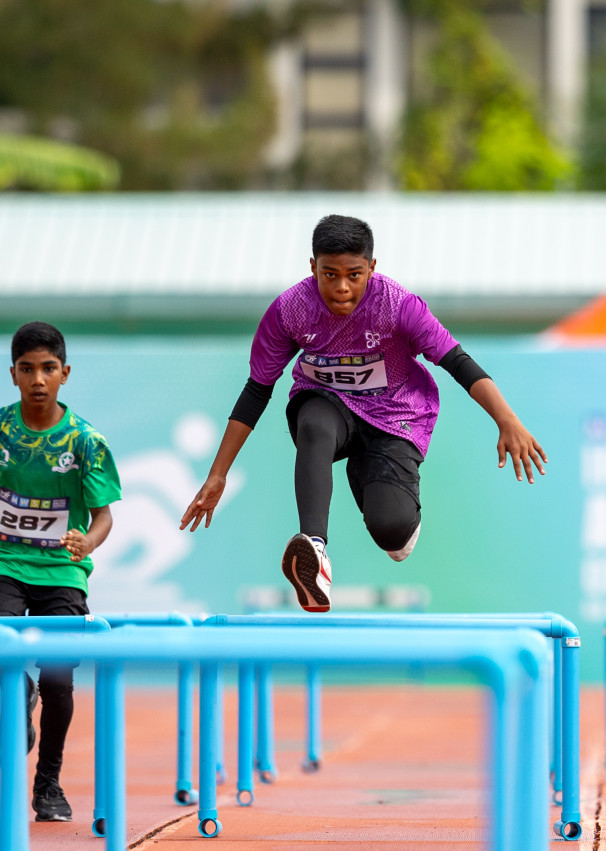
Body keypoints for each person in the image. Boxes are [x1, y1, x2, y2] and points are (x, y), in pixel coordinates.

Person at [179, 215, 547, 611]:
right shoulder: (290, 311)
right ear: (312, 267)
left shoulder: (398, 306)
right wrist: (218, 474)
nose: (341, 288)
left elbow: (457, 361)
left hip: (395, 415)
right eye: (329, 274)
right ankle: (315, 551)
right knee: (314, 422)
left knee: (392, 533)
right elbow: (256, 392)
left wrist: (506, 419)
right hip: (328, 406)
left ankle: (375, 481)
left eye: (354, 275)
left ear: (372, 268)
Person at [0, 322, 121, 822]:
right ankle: (17, 698)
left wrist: (85, 542)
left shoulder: (86, 441)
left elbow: (104, 517)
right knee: (5, 660)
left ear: (64, 373)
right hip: (6, 566)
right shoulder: (2, 431)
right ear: (13, 374)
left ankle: (48, 784)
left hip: (61, 574)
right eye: (27, 369)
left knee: (59, 684)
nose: (38, 379)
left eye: (48, 368)